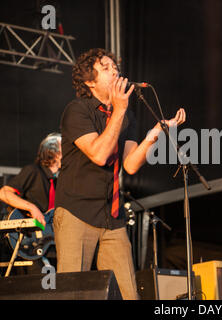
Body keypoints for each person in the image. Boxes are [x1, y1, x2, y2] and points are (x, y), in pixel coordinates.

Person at [54, 48, 185, 300]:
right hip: (76, 212)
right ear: (90, 81)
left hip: (112, 216)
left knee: (127, 293)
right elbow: (99, 154)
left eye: (116, 67)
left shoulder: (126, 116)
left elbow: (132, 164)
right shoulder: (77, 110)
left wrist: (156, 132)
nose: (115, 71)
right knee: (71, 292)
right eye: (106, 68)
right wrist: (120, 109)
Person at [0, 132, 61, 272]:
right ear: (54, 152)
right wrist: (31, 207)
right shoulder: (33, 171)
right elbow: (3, 193)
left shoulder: (59, 182)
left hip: (50, 245)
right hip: (29, 241)